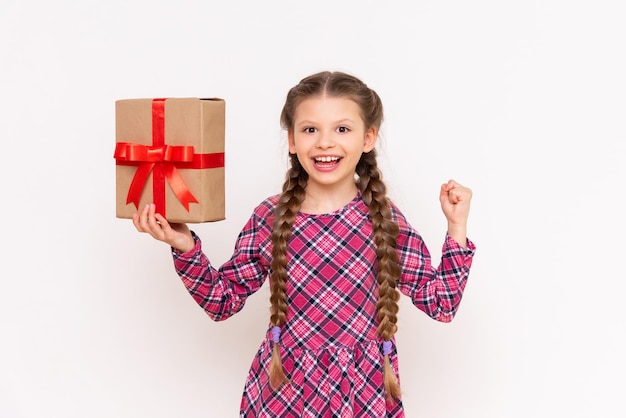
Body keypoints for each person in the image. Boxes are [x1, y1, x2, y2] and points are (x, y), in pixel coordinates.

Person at [133, 70, 476, 417]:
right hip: (284, 395)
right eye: (310, 129)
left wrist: (456, 225)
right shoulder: (270, 217)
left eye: (342, 129)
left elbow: (441, 304)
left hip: (360, 399)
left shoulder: (384, 221)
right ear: (293, 140)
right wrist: (184, 244)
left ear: (368, 137)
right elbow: (222, 302)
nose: (325, 142)